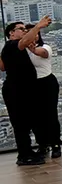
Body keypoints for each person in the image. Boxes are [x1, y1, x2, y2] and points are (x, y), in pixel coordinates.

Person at [2, 18, 47, 165]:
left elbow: (2, 67)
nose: (24, 31)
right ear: (11, 33)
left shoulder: (13, 48)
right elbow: (24, 42)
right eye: (21, 29)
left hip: (22, 90)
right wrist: (38, 26)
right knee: (20, 123)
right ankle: (24, 155)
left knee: (26, 122)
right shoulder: (12, 45)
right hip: (16, 91)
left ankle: (27, 151)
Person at [26, 23, 62, 159]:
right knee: (35, 117)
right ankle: (42, 144)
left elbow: (44, 54)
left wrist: (33, 49)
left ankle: (56, 145)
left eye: (34, 33)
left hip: (46, 83)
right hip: (31, 85)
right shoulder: (22, 50)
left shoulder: (45, 47)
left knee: (50, 115)